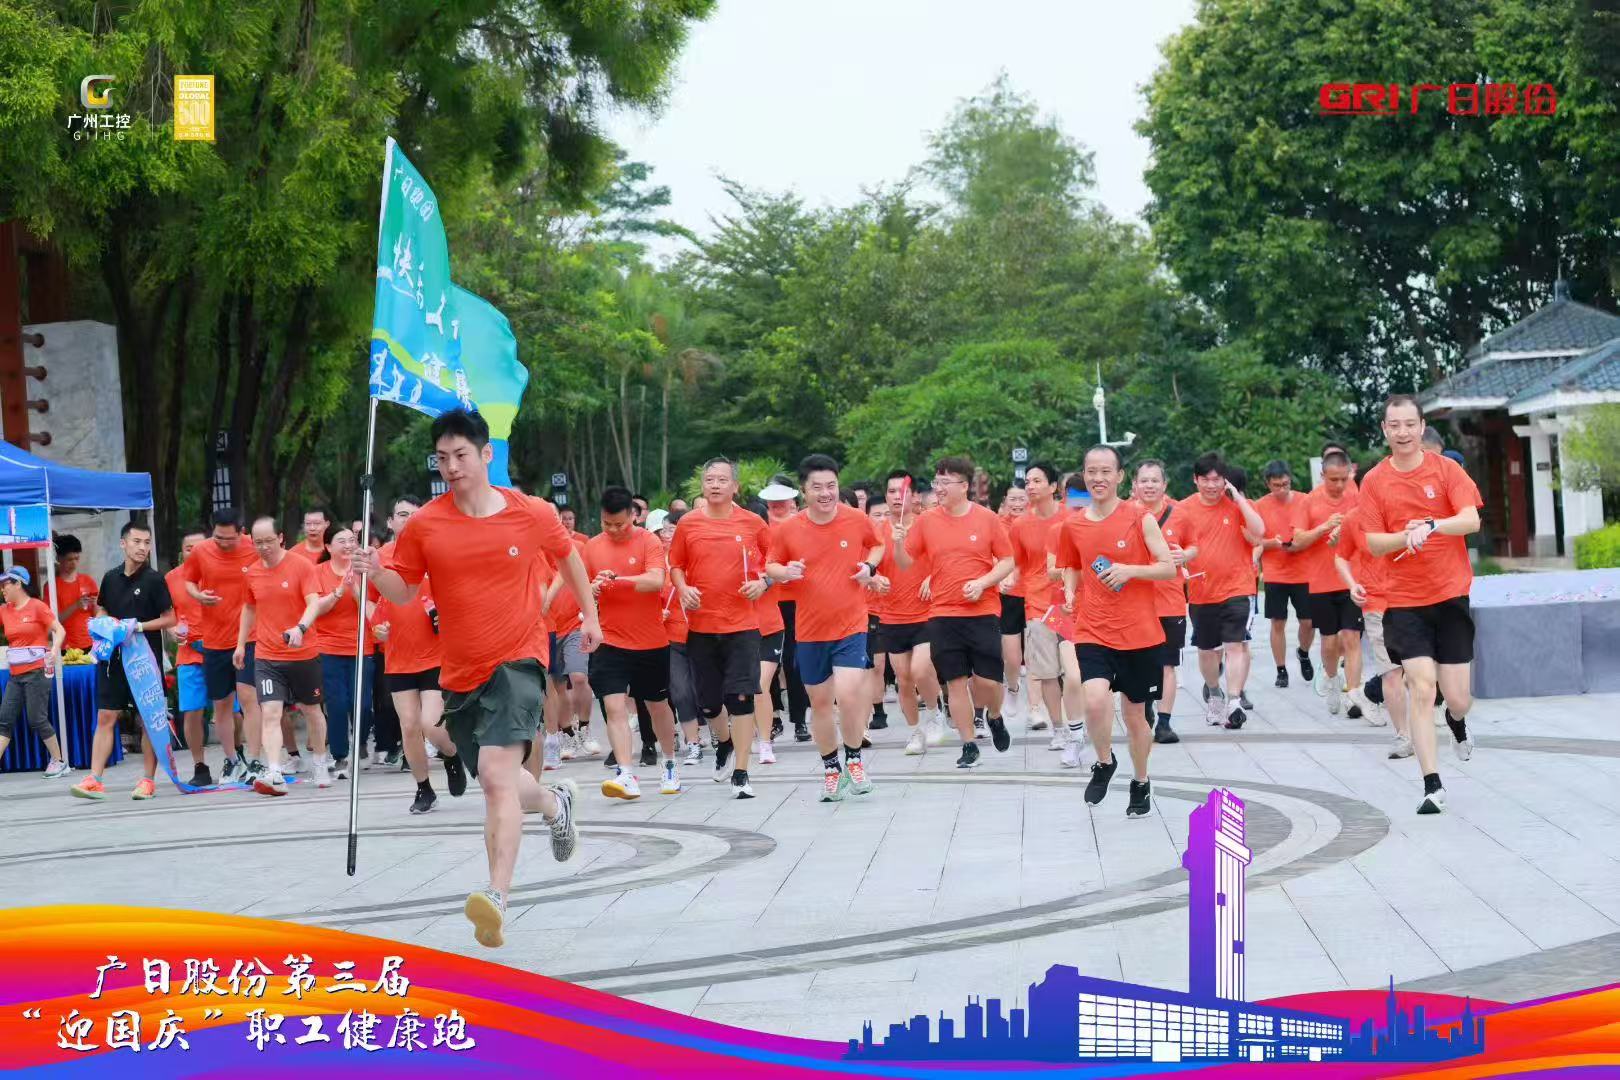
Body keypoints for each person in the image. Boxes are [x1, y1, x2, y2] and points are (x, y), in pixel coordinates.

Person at [354, 408, 597, 948]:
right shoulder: (426, 524)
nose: (452, 466)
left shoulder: (530, 512)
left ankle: (496, 896)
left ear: (486, 454)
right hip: (461, 672)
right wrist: (376, 572)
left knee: (493, 773)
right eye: (442, 457)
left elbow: (569, 560)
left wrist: (591, 617)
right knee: (500, 779)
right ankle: (555, 804)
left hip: (519, 661)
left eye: (461, 455)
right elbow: (404, 591)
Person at [1358, 395, 1483, 815]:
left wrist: (1432, 526)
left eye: (1410, 424)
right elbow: (1373, 542)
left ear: (1421, 426)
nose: (1403, 432)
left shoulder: (1446, 470)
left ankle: (1456, 721)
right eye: (1394, 425)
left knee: (1458, 697)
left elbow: (1471, 519)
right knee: (1422, 686)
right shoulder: (1374, 481)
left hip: (1449, 595)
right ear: (1384, 429)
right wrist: (1405, 536)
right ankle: (1432, 784)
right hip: (1404, 601)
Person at [1056, 446, 1176, 815]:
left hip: (1140, 634)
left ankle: (1141, 781)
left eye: (1106, 471)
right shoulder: (1073, 525)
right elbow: (1071, 565)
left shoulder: (1139, 518)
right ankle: (1105, 762)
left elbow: (1168, 567)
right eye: (1092, 471)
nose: (1098, 478)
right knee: (1094, 701)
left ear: (1120, 476)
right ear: (1084, 475)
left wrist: (1130, 570)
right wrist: (1070, 591)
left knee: (1136, 715)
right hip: (1093, 628)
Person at [767, 454, 884, 801]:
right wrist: (785, 572)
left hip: (851, 624)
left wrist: (869, 567)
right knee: (820, 704)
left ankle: (854, 760)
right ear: (803, 491)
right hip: (810, 630)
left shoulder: (856, 519)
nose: (825, 493)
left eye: (831, 485)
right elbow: (771, 565)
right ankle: (831, 768)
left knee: (848, 695)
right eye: (817, 487)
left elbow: (877, 545)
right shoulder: (789, 528)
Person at [894, 455, 1016, 769]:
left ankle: (995, 715)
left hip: (983, 611)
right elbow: (905, 562)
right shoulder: (927, 521)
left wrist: (983, 583)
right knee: (956, 682)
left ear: (964, 486)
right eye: (937, 482)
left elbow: (1007, 561)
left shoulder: (986, 519)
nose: (939, 488)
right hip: (943, 614)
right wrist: (898, 543)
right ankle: (968, 744)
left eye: (945, 482)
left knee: (988, 682)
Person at [667, 459, 770, 799]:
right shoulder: (688, 524)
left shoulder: (753, 523)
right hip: (702, 625)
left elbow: (772, 561)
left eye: (722, 480)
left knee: (741, 697)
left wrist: (763, 582)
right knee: (709, 703)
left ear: (735, 486)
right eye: (709, 479)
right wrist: (683, 588)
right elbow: (676, 565)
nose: (715, 485)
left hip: (742, 626)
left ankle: (741, 772)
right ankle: (724, 742)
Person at [371, 496, 467, 814]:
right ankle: (424, 788)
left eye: (414, 515)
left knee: (431, 723)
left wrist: (446, 616)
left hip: (435, 655)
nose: (408, 520)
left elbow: (456, 594)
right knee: (409, 726)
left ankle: (451, 754)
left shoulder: (436, 552)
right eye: (401, 514)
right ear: (390, 521)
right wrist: (377, 627)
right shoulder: (380, 558)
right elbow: (371, 603)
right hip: (398, 657)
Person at [236, 516, 343, 794]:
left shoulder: (301, 566)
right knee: (271, 712)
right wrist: (240, 644)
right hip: (267, 656)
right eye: (258, 542)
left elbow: (313, 603)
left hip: (303, 653)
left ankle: (319, 761)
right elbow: (249, 608)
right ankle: (274, 772)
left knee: (312, 710)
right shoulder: (252, 572)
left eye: (269, 541)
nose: (263, 547)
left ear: (281, 538)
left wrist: (300, 628)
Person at [71, 521, 176, 801]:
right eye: (137, 542)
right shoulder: (110, 577)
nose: (142, 547)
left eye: (147, 543)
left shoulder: (154, 580)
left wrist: (137, 627)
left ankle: (148, 780)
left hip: (143, 660)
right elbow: (102, 607)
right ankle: (95, 779)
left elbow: (170, 618)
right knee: (106, 715)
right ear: (123, 543)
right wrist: (103, 622)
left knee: (147, 719)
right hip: (113, 659)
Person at [587, 486, 681, 800]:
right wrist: (592, 588)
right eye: (607, 523)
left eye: (620, 524)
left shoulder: (648, 541)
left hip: (650, 641)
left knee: (657, 706)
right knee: (613, 706)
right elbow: (582, 585)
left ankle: (669, 762)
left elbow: (655, 580)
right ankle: (626, 773)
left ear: (634, 516)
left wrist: (617, 580)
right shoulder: (592, 546)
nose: (613, 530)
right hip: (609, 640)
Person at [1178, 454, 1266, 729]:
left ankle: (1234, 700)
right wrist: (1179, 565)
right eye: (1205, 479)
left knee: (1235, 645)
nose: (1211, 485)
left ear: (1225, 480)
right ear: (1195, 480)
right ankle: (1215, 693)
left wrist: (1238, 498)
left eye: (1217, 479)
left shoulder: (1238, 506)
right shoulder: (1183, 509)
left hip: (1238, 587)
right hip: (1202, 591)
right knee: (1207, 650)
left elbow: (1259, 532)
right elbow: (1172, 543)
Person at [178, 509, 263, 784]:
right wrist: (198, 595)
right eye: (218, 538)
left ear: (241, 532)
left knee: (249, 698)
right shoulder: (201, 551)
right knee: (222, 704)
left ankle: (255, 761)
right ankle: (231, 761)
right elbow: (188, 581)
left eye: (229, 538)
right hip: (214, 639)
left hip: (249, 636)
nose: (223, 543)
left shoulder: (254, 547)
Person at [871, 470, 945, 755]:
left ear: (914, 497)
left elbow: (946, 557)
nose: (896, 497)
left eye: (901, 492)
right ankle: (915, 732)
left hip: (926, 611)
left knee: (920, 669)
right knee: (903, 679)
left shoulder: (928, 525)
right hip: (891, 614)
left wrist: (932, 578)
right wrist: (875, 579)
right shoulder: (877, 531)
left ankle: (935, 712)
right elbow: (868, 566)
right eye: (891, 492)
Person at [1290, 451, 1364, 716]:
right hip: (1321, 582)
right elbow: (1297, 541)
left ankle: (1353, 694)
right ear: (1322, 475)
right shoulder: (1308, 501)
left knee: (1352, 637)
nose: (1340, 485)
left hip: (1351, 580)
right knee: (1330, 643)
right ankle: (1332, 680)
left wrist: (1346, 531)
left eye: (1344, 479)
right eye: (1334, 479)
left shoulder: (1356, 497)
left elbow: (1367, 529)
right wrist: (1323, 528)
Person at [1334, 494, 1406, 749]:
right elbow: (1341, 556)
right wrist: (1352, 584)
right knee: (1392, 671)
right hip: (1375, 603)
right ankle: (1404, 736)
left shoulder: (1406, 511)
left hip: (1412, 599)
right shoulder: (1354, 518)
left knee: (1418, 668)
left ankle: (1368, 694)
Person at [1130, 460, 1193, 745]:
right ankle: (1145, 707)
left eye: (1155, 480)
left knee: (1168, 664)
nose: (1149, 486)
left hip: (1170, 602)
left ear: (1164, 485)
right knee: (1140, 663)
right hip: (1136, 603)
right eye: (1144, 480)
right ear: (1134, 484)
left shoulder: (1180, 515)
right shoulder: (1124, 515)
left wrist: (1186, 555)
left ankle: (1164, 723)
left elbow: (1194, 545)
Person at [1008, 463, 1068, 744]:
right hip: (1038, 606)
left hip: (1070, 605)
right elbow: (1017, 563)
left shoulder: (1071, 517)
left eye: (1037, 481)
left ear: (1053, 487)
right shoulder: (1020, 525)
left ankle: (1076, 724)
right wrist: (1008, 578)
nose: (1030, 486)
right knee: (1047, 673)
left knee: (1074, 672)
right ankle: (1059, 728)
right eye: (1028, 481)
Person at [0, 566, 70, 778]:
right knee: (4, 719)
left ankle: (59, 762)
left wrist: (55, 649)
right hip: (15, 675)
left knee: (36, 718)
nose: (2, 589)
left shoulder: (37, 606)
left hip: (37, 672)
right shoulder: (4, 610)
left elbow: (60, 630)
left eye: (5, 585)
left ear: (18, 584)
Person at [1253, 461, 1315, 688]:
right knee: (1277, 621)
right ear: (1268, 484)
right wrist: (1272, 543)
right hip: (1275, 573)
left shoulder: (1305, 500)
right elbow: (1253, 539)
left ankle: (1304, 652)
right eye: (1277, 485)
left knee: (1309, 621)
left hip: (1304, 571)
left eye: (1286, 484)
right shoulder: (1260, 506)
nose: (1282, 489)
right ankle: (1281, 669)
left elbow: (1314, 532)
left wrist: (1300, 543)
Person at [760, 477, 810, 744]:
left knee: (794, 661)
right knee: (768, 664)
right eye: (773, 501)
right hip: (768, 602)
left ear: (793, 501)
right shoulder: (761, 526)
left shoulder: (802, 525)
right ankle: (774, 716)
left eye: (783, 500)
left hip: (798, 602)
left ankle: (799, 719)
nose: (778, 505)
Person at [165, 528, 213, 786]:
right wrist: (172, 631)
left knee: (233, 711)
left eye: (200, 548)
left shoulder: (221, 571)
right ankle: (200, 766)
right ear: (181, 552)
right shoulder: (171, 579)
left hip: (222, 650)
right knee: (192, 711)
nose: (194, 553)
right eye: (188, 549)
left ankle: (237, 758)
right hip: (189, 652)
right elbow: (167, 616)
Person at [52, 533, 97, 653]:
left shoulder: (88, 581)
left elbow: (97, 614)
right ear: (59, 558)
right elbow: (53, 620)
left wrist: (96, 605)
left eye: (77, 559)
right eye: (69, 559)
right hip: (65, 646)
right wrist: (76, 605)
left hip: (90, 642)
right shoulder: (52, 586)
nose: (74, 563)